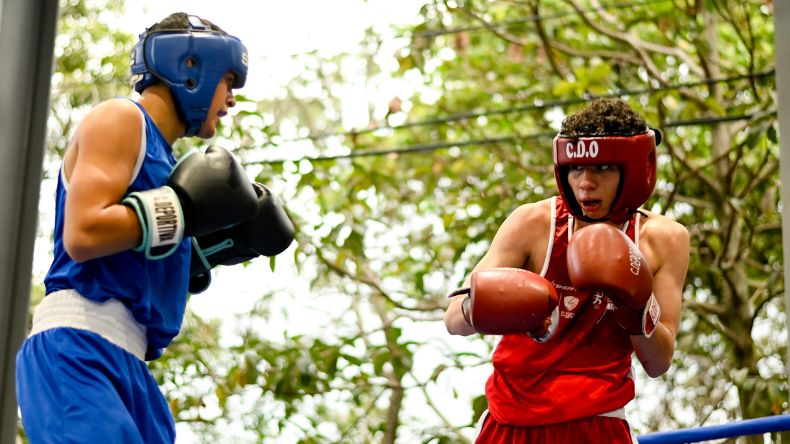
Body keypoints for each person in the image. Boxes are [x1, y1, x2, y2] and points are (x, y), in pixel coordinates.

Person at [15, 12, 294, 443]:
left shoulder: (168, 168)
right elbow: (84, 233)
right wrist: (181, 208)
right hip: (79, 346)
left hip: (133, 364)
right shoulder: (120, 119)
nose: (232, 100)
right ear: (191, 67)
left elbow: (141, 250)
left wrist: (207, 251)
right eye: (229, 82)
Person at [444, 98, 690, 443]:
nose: (585, 183)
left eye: (602, 168)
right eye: (576, 168)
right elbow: (453, 318)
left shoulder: (663, 240)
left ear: (634, 169)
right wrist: (493, 304)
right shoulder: (533, 224)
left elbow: (658, 362)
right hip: (508, 421)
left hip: (597, 422)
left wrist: (636, 306)